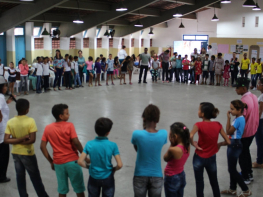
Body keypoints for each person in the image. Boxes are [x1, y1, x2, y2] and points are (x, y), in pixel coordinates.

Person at [4, 99, 49, 197]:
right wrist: (23, 139)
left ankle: (23, 195)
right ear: (27, 110)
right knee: (35, 177)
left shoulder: (10, 122)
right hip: (28, 153)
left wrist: (16, 139)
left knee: (20, 176)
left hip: (15, 153)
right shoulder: (30, 121)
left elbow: (7, 140)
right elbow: (32, 140)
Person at [40, 104, 85, 197]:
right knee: (79, 188)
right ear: (61, 116)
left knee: (62, 189)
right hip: (73, 162)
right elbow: (76, 142)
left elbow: (42, 146)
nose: (69, 115)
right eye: (67, 113)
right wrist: (83, 154)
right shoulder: (69, 126)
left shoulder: (48, 128)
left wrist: (51, 161)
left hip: (58, 163)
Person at [190, 102, 230, 197]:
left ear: (203, 114)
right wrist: (219, 144)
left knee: (199, 182)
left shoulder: (198, 125)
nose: (198, 111)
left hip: (199, 157)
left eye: (199, 110)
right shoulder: (218, 124)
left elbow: (190, 135)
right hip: (211, 157)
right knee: (214, 181)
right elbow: (228, 141)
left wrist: (193, 144)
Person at [78, 118, 123, 197]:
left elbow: (80, 161)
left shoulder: (89, 144)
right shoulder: (113, 145)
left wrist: (89, 167)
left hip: (93, 177)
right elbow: (119, 165)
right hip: (108, 177)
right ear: (108, 133)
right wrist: (113, 169)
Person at [131, 104, 167, 197]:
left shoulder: (136, 134)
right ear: (157, 120)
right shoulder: (163, 134)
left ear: (143, 118)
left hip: (140, 175)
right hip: (157, 176)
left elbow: (138, 149)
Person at [221, 100, 252, 197]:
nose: (230, 111)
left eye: (232, 109)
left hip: (234, 144)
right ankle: (232, 188)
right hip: (235, 144)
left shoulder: (238, 120)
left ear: (239, 110)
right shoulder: (240, 118)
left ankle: (245, 190)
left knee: (232, 170)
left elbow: (228, 131)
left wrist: (228, 118)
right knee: (232, 168)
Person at [235, 77, 259, 184]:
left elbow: (241, 119)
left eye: (238, 88)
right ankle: (249, 173)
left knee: (242, 155)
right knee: (246, 152)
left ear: (244, 88)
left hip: (245, 132)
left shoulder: (243, 101)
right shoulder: (253, 96)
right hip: (253, 130)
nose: (236, 90)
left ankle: (246, 177)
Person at [163, 122, 190, 197]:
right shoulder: (187, 146)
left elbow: (165, 158)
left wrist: (171, 144)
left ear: (175, 136)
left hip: (171, 178)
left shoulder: (173, 149)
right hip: (181, 175)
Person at [0, 77, 15, 184]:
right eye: (5, 86)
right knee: (3, 155)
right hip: (1, 132)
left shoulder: (1, 98)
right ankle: (1, 176)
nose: (6, 87)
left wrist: (8, 102)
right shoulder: (0, 97)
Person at [254, 78, 263, 168]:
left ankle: (259, 161)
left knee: (260, 141)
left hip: (261, 120)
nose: (257, 85)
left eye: (259, 84)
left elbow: (260, 110)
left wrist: (256, 121)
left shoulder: (262, 97)